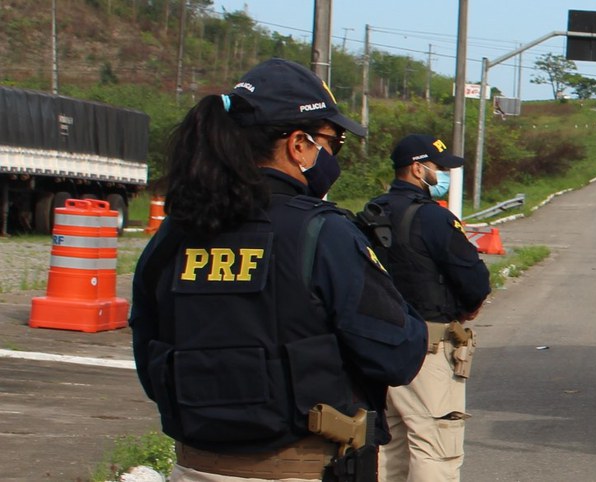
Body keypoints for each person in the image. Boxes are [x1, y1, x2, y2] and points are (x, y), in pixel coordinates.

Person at [129, 58, 428, 482]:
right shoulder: (323, 233)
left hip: (194, 468)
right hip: (305, 470)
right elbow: (397, 353)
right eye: (333, 140)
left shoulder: (172, 236)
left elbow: (148, 352)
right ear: (298, 144)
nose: (333, 154)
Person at [370, 134, 491, 481]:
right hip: (428, 347)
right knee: (434, 447)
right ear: (418, 169)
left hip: (377, 347)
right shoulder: (435, 219)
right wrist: (469, 307)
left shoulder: (370, 213)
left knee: (388, 448)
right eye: (440, 168)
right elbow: (473, 280)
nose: (445, 176)